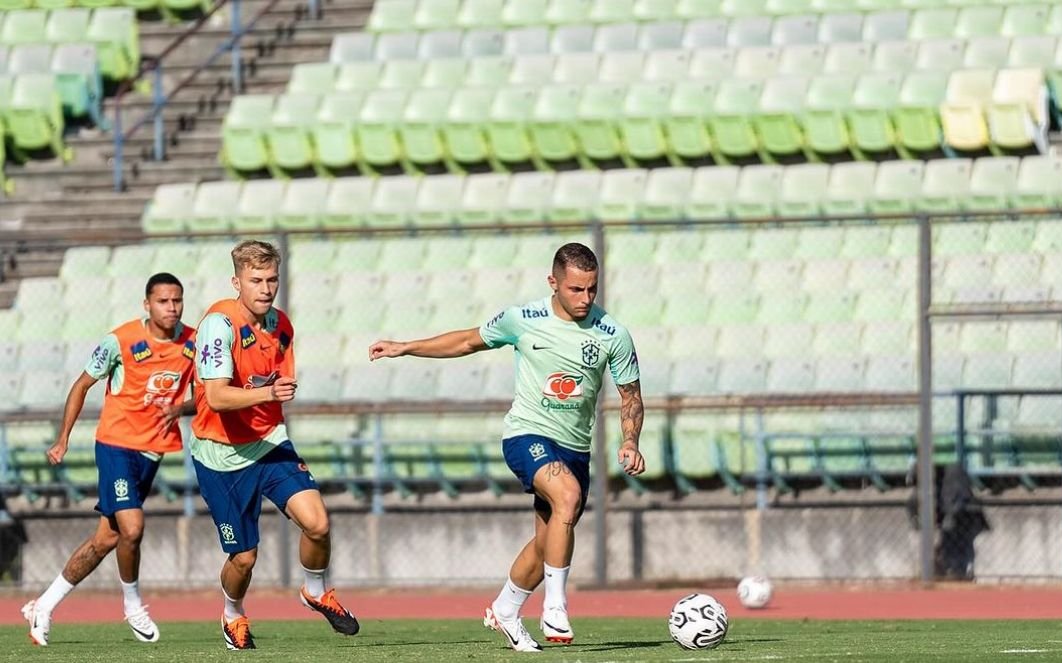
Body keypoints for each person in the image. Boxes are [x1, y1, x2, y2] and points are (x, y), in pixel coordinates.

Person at [369, 242, 645, 652]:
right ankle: (556, 606)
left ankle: (506, 608)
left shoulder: (612, 334)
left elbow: (630, 396)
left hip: (575, 448)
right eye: (575, 289)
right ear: (553, 282)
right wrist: (407, 347)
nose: (585, 299)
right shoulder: (523, 319)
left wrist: (629, 440)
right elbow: (466, 341)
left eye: (592, 289)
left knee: (547, 540)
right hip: (526, 434)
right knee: (566, 496)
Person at [190, 240, 358, 650]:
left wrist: (271, 395)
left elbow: (271, 384)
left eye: (272, 280)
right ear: (237, 282)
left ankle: (315, 590)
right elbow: (215, 396)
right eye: (256, 280)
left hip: (268, 442)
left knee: (317, 523)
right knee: (245, 558)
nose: (265, 288)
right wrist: (267, 395)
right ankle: (232, 614)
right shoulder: (219, 324)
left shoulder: (281, 325)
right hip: (221, 454)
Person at [21, 273, 197, 646]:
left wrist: (182, 406)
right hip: (116, 445)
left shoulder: (193, 343)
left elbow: (209, 393)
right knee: (132, 528)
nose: (171, 308)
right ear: (146, 304)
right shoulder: (120, 341)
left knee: (107, 539)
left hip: (153, 450)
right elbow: (82, 384)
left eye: (177, 301)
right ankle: (133, 605)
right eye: (163, 301)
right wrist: (63, 438)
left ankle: (45, 605)